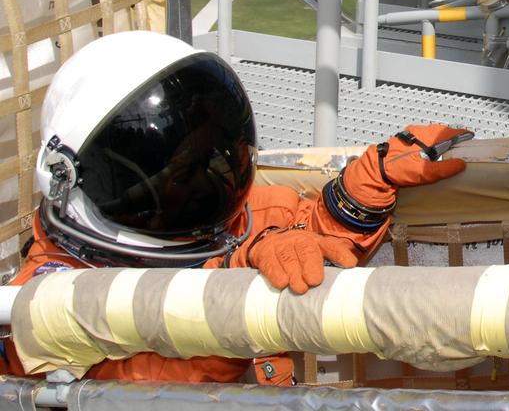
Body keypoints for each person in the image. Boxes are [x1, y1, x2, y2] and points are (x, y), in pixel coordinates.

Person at [0, 30, 467, 384]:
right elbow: (148, 387)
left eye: (211, 159)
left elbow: (312, 245)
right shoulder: (46, 302)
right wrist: (233, 289)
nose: (206, 184)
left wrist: (368, 183)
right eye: (180, 173)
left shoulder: (227, 220)